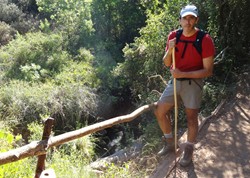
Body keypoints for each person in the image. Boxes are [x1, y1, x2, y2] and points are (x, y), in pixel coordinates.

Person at [154, 4, 215, 167]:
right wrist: (170, 49)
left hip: (193, 82)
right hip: (175, 81)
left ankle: (188, 149)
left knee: (191, 118)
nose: (188, 22)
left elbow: (208, 71)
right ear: (180, 20)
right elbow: (167, 62)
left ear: (196, 19)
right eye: (185, 18)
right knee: (160, 110)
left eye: (191, 18)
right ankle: (170, 143)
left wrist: (183, 74)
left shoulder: (204, 39)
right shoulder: (174, 36)